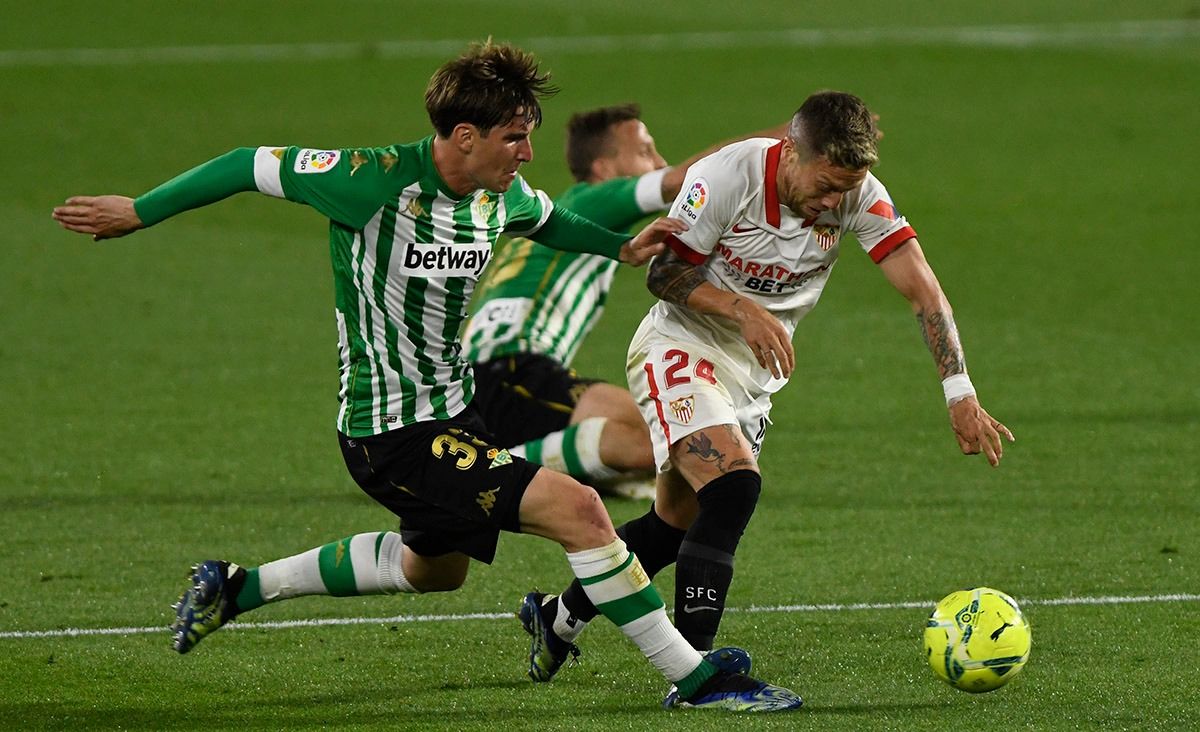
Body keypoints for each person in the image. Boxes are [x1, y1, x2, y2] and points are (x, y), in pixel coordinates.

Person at [50, 42, 803, 713]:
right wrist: (140, 210)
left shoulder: (497, 191)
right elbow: (246, 161)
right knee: (579, 511)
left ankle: (236, 585)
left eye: (530, 136)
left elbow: (544, 220)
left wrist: (620, 249)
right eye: (514, 138)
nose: (526, 154)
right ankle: (694, 676)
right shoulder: (368, 180)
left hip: (455, 413)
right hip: (390, 431)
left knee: (431, 570)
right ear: (464, 136)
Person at [518, 91, 1016, 702]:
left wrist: (959, 392)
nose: (835, 202)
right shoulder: (726, 176)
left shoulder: (858, 194)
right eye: (827, 184)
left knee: (676, 522)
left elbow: (924, 291)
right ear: (791, 153)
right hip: (681, 346)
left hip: (752, 377)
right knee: (733, 488)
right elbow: (662, 273)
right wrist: (740, 308)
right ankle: (698, 673)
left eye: (847, 188)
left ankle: (556, 617)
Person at [462, 104, 786, 499]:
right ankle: (495, 470)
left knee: (673, 432)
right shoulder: (594, 199)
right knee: (682, 437)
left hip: (494, 375)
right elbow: (688, 178)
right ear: (603, 168)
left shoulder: (569, 217)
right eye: (645, 150)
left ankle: (562, 467)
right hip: (514, 370)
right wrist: (782, 144)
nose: (658, 160)